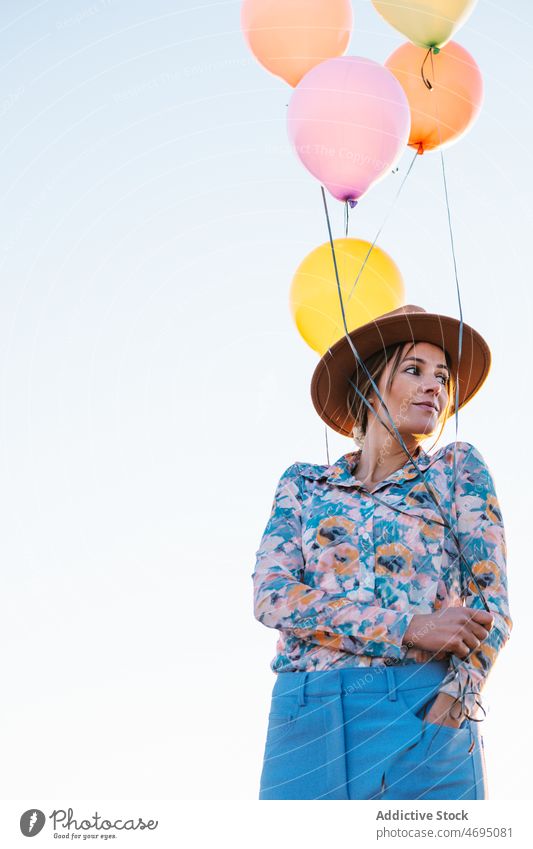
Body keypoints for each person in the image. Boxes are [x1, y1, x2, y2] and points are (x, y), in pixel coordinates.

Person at [252, 304, 512, 800]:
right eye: (414, 370)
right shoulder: (304, 484)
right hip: (306, 717)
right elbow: (273, 598)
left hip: (422, 708)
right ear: (369, 385)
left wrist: (453, 705)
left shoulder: (456, 470)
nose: (434, 386)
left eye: (441, 376)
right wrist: (408, 628)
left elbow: (492, 608)